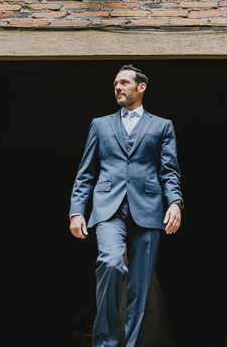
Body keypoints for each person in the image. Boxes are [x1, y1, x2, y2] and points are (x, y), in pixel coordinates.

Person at [69, 64, 183, 347]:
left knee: (140, 287)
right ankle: (105, 342)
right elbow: (85, 172)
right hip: (108, 207)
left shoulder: (162, 125)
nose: (117, 88)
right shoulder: (100, 124)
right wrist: (76, 211)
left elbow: (169, 171)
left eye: (123, 83)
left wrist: (175, 203)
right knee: (110, 263)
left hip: (149, 208)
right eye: (115, 84)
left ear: (141, 87)